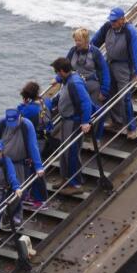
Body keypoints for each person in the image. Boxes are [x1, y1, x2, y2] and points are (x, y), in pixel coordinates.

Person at [0, 108, 43, 223]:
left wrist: (38, 167)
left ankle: (14, 215)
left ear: (19, 117)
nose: (11, 125)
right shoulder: (2, 123)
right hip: (3, 162)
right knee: (1, 189)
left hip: (19, 164)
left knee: (18, 191)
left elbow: (33, 146)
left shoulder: (27, 125)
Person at [91, 7, 137, 139]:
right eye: (111, 20)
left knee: (125, 97)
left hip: (124, 67)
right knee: (109, 93)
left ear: (122, 19)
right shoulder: (107, 27)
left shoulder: (130, 31)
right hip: (109, 64)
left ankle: (132, 127)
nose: (112, 23)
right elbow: (94, 42)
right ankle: (116, 121)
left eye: (115, 21)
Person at [46, 58, 94, 190]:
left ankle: (75, 183)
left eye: (57, 71)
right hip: (66, 120)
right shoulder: (67, 80)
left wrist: (85, 122)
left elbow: (86, 103)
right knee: (64, 151)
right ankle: (66, 178)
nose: (56, 74)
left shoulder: (75, 83)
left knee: (72, 152)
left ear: (62, 71)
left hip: (74, 122)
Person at [17, 81, 51, 208]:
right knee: (37, 167)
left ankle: (39, 199)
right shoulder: (45, 102)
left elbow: (17, 116)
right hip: (45, 138)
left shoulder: (29, 109)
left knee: (34, 169)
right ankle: (36, 196)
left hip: (35, 141)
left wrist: (22, 106)